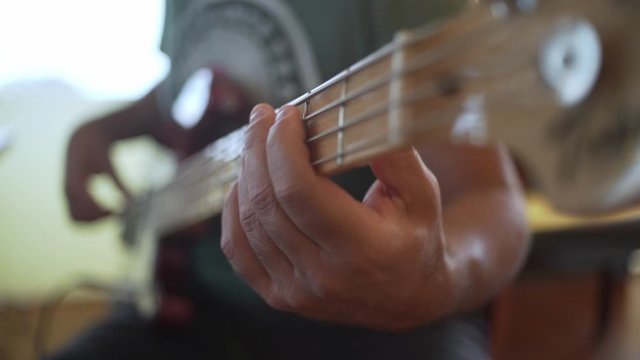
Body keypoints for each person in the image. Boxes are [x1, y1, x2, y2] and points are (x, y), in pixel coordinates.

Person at [52, 0, 530, 358]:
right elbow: (183, 88)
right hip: (190, 303)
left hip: (378, 327)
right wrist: (100, 129)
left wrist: (436, 281)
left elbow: (489, 195)